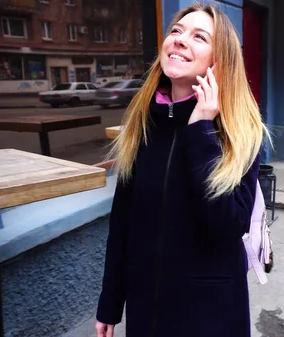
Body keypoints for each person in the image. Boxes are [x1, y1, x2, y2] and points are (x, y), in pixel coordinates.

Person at [94, 4, 270, 337]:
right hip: (146, 309)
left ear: (219, 62)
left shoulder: (240, 132)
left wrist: (201, 131)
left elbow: (228, 226)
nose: (180, 40)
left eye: (199, 37)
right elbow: (122, 223)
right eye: (176, 31)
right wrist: (110, 302)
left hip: (209, 313)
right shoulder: (143, 125)